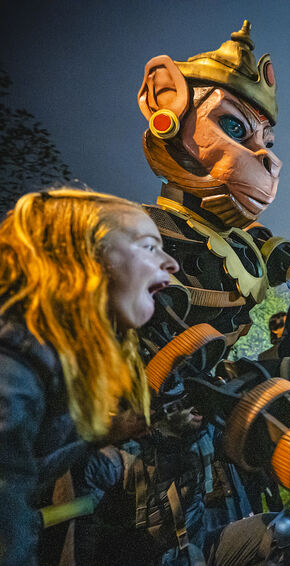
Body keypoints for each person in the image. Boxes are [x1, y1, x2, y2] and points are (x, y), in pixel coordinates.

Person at [0, 189, 178, 566]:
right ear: (83, 255)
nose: (171, 263)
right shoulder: (15, 363)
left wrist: (110, 432)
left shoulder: (49, 359)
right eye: (149, 247)